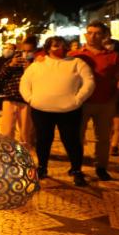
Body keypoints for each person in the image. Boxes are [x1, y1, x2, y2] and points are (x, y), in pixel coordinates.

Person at [20, 37, 96, 185]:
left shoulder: (77, 63)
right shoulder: (37, 65)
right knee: (43, 140)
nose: (59, 48)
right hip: (41, 109)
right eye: (55, 45)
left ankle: (76, 169)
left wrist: (78, 99)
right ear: (48, 48)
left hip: (69, 110)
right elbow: (25, 82)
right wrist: (30, 98)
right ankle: (42, 167)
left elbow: (89, 81)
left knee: (71, 140)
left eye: (62, 45)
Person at [69, 21, 119, 181]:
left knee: (103, 138)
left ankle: (101, 167)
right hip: (82, 103)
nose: (92, 36)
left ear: (104, 36)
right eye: (90, 32)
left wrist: (114, 99)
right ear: (85, 34)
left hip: (105, 103)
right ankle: (76, 167)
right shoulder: (75, 55)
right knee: (77, 136)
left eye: (97, 33)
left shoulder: (113, 56)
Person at [0, 35, 39, 149]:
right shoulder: (12, 61)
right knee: (7, 130)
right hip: (9, 98)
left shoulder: (37, 64)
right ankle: (8, 153)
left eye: (29, 51)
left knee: (25, 133)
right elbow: (0, 78)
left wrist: (29, 69)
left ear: (34, 50)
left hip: (26, 101)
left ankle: (24, 156)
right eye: (24, 50)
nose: (25, 54)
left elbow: (38, 82)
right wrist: (10, 65)